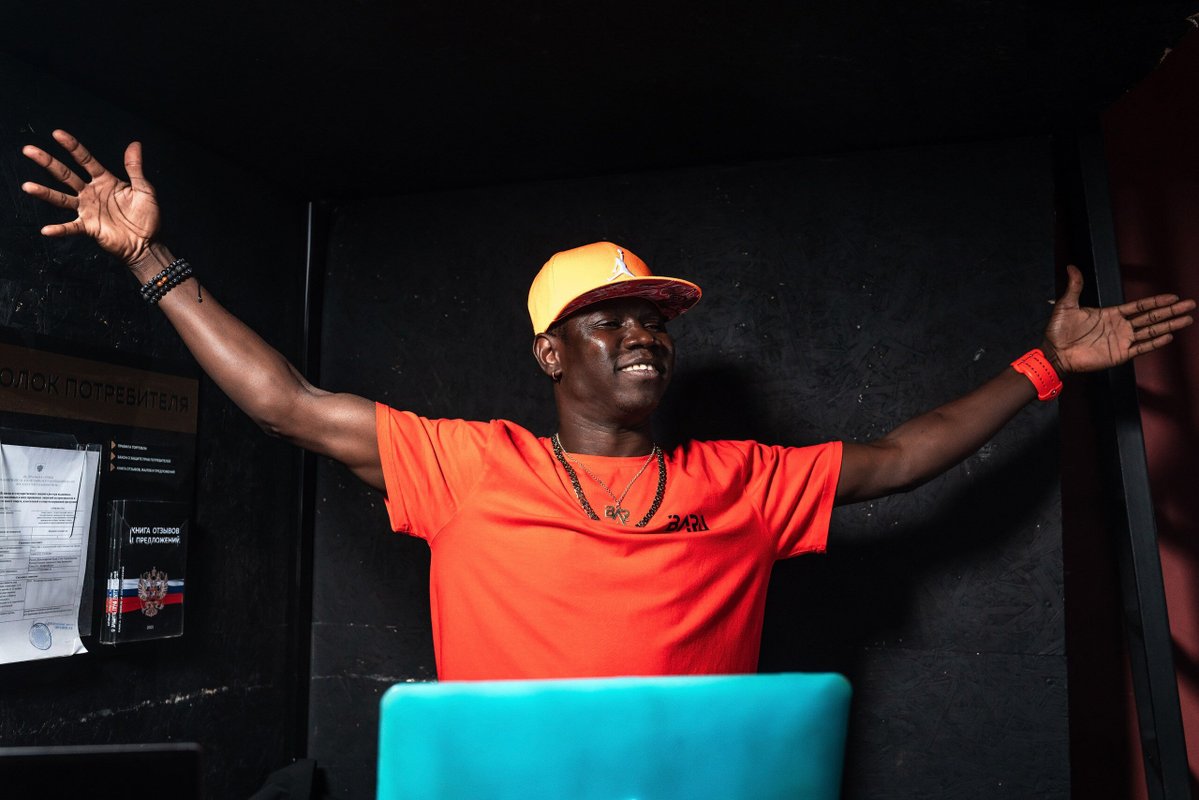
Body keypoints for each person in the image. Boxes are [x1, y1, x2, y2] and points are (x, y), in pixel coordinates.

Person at [20, 130, 1196, 679]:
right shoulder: (468, 465)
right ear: (550, 351)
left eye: (656, 319)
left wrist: (1044, 365)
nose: (643, 333)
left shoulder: (740, 480)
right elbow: (285, 401)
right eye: (610, 317)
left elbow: (900, 455)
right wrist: (148, 258)